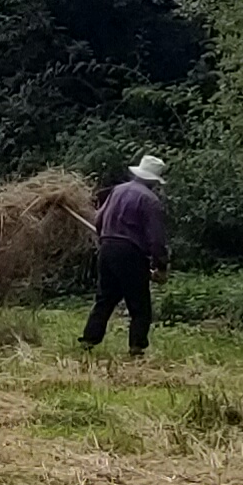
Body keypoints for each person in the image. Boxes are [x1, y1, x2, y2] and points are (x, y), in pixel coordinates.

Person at [80, 152, 167, 357]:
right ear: (152, 180)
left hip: (107, 248)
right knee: (139, 304)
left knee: (105, 298)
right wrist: (161, 265)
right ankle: (136, 347)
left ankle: (89, 340)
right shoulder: (150, 200)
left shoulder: (117, 191)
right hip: (131, 253)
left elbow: (99, 219)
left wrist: (105, 238)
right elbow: (156, 238)